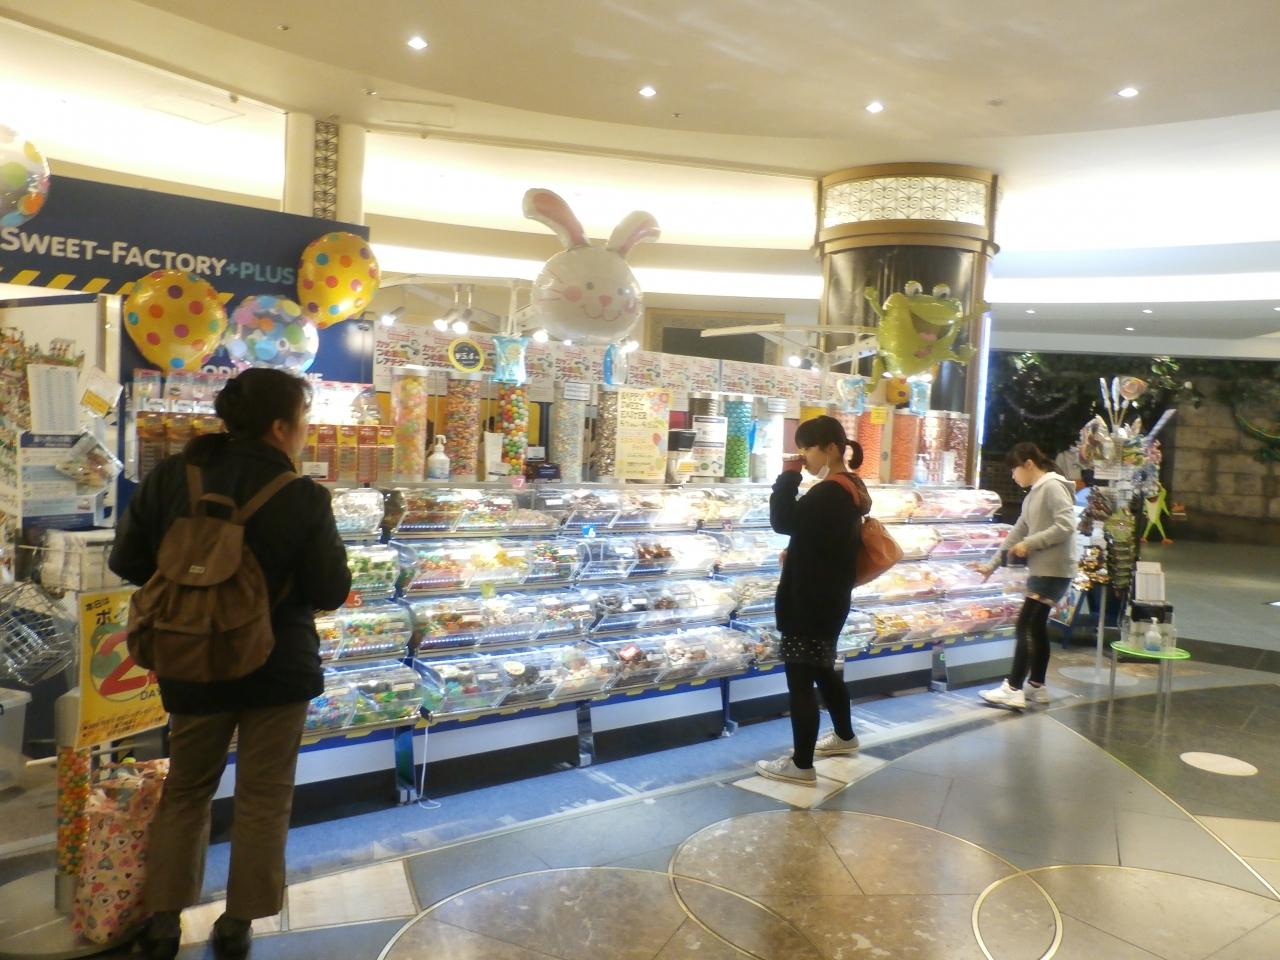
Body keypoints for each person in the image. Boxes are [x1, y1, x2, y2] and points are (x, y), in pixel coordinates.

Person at [109, 369, 351, 959]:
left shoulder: (173, 476)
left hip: (190, 658)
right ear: (280, 427)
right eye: (303, 420)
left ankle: (163, 921)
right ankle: (238, 923)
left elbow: (128, 560)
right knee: (264, 796)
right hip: (278, 664)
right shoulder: (302, 494)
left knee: (186, 789)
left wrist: (194, 591)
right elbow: (330, 588)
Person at [756, 415, 871, 785]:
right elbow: (819, 537)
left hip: (808, 600)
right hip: (830, 597)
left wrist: (788, 476)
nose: (803, 455)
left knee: (801, 679)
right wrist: (800, 551)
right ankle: (844, 736)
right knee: (822, 668)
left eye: (807, 448)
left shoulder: (828, 491)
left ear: (831, 449)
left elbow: (783, 520)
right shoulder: (851, 485)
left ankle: (801, 765)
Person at [978, 442, 1077, 711]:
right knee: (1036, 627)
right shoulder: (1034, 493)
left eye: (1014, 470)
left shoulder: (1052, 487)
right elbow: (1017, 533)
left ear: (1029, 464)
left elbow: (1066, 525)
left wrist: (1030, 543)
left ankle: (1013, 688)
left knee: (1025, 625)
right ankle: (1036, 686)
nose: (1013, 476)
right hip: (1046, 569)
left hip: (1052, 569)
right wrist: (991, 565)